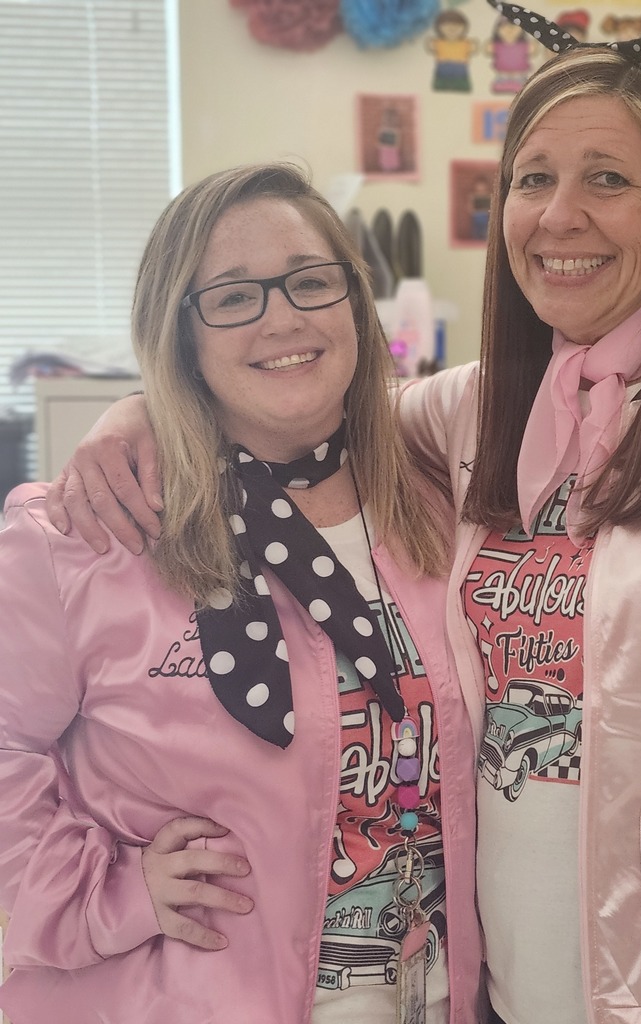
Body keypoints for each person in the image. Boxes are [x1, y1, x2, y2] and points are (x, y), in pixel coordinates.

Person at [43, 4, 641, 1023]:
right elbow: (293, 400)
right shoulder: (466, 414)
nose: (560, 216)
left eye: (608, 177)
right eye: (532, 178)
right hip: (505, 990)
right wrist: (145, 411)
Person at [0, 163, 482, 1024]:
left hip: (433, 997)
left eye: (311, 281)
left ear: (355, 304)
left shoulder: (436, 502)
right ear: (179, 332)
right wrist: (103, 894)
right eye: (232, 297)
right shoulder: (82, 532)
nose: (284, 317)